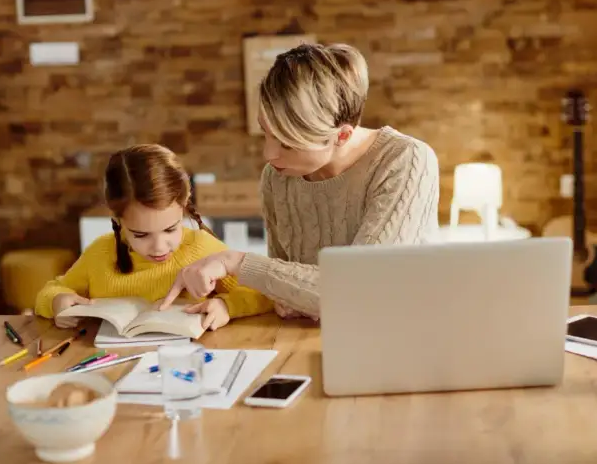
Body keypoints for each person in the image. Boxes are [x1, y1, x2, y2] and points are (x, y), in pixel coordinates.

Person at [159, 43, 439, 319]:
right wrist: (230, 305)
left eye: (288, 143)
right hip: (315, 338)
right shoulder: (278, 177)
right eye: (266, 132)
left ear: (342, 136)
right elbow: (284, 295)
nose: (269, 154)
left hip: (403, 340)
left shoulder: (405, 161)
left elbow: (361, 293)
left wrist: (236, 262)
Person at [34, 144, 273, 330]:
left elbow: (264, 293)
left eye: (170, 229)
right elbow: (51, 290)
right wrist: (57, 301)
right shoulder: (99, 254)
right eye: (140, 235)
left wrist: (226, 306)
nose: (159, 247)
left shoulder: (202, 248)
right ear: (118, 220)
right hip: (114, 363)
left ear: (183, 207)